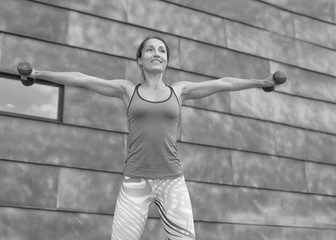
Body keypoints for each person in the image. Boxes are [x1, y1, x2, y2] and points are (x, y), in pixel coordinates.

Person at [20, 36, 278, 240]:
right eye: (150, 50)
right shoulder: (126, 90)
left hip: (172, 182)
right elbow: (81, 79)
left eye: (162, 50)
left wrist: (260, 82)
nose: (157, 53)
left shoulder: (180, 91)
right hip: (136, 182)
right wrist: (38, 74)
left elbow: (225, 83)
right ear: (139, 60)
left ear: (166, 61)